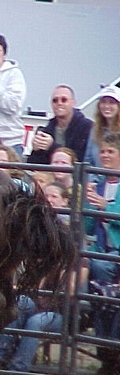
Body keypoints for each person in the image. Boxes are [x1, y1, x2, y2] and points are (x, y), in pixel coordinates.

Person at [84, 132, 120, 374]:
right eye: (103, 151)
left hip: (114, 255)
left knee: (94, 267)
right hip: (100, 255)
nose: (105, 155)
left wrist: (104, 206)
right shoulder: (97, 184)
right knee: (98, 298)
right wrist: (87, 202)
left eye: (111, 151)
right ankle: (106, 355)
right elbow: (87, 227)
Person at [27, 85, 93, 164]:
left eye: (64, 100)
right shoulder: (47, 130)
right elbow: (33, 166)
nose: (59, 103)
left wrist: (51, 146)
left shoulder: (86, 127)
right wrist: (36, 151)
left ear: (73, 103)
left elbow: (80, 158)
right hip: (50, 175)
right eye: (55, 100)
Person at [84, 85, 120, 170]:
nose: (106, 106)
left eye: (111, 102)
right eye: (103, 102)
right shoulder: (95, 129)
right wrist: (91, 180)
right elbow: (87, 160)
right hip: (97, 180)